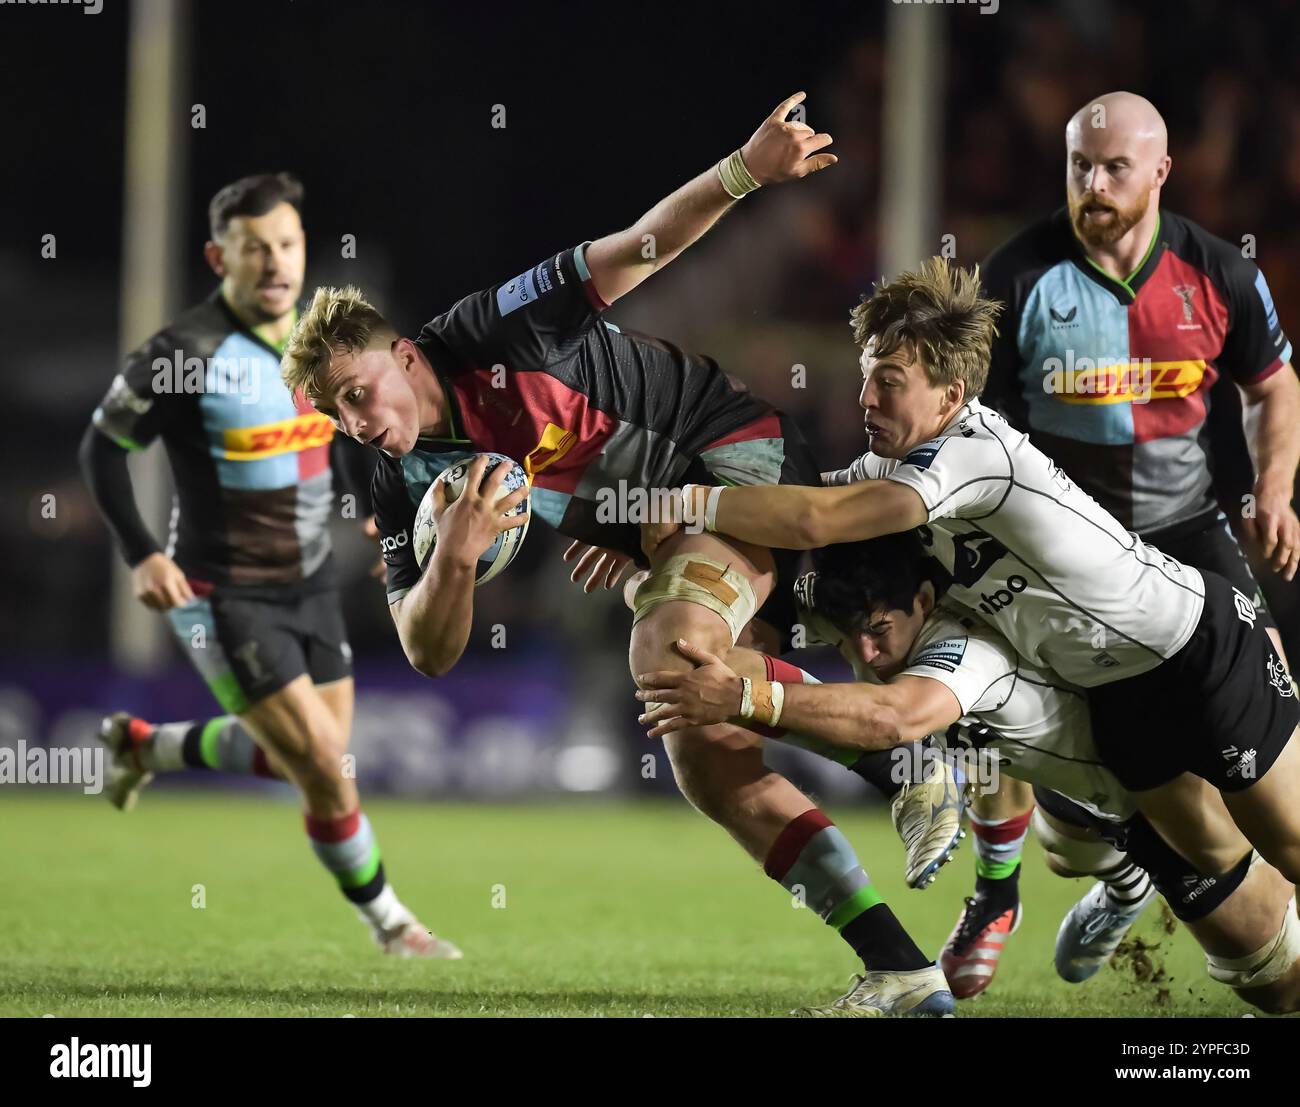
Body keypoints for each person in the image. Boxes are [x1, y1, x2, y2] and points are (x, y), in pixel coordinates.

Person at [281, 94, 956, 1016]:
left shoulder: (497, 328)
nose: (361, 423)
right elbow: (427, 651)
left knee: (669, 652)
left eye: (361, 393)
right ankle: (901, 963)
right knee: (703, 752)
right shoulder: (395, 482)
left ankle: (905, 759)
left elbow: (639, 245)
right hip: (652, 525)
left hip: (724, 449)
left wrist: (748, 169)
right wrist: (456, 560)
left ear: (402, 355)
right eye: (339, 414)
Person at [639, 254, 1300, 900]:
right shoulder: (889, 466)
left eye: (890, 381)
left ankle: (1081, 884)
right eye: (868, 377)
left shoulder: (973, 454)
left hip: (1191, 644)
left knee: (1290, 843)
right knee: (1214, 856)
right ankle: (1125, 887)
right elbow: (789, 499)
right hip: (1118, 692)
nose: (867, 397)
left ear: (951, 394)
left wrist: (686, 504)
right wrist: (638, 536)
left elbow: (814, 518)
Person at [635, 532, 1300, 1013]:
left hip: (1154, 788)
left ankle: (1119, 872)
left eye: (879, 631)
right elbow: (748, 618)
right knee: (1065, 848)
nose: (867, 653)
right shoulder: (871, 593)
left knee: (1276, 983)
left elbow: (895, 714)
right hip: (1075, 790)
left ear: (924, 602)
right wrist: (652, 576)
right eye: (849, 639)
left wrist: (746, 699)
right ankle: (1116, 879)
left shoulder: (962, 646)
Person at [78, 173, 451, 959]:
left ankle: (146, 746)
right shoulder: (184, 354)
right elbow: (102, 448)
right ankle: (393, 923)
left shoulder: (315, 350)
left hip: (310, 583)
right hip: (223, 591)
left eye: (287, 244)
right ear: (220, 257)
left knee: (311, 762)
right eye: (255, 249)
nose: (276, 262)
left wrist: (372, 511)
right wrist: (142, 551)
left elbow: (343, 439)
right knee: (323, 766)